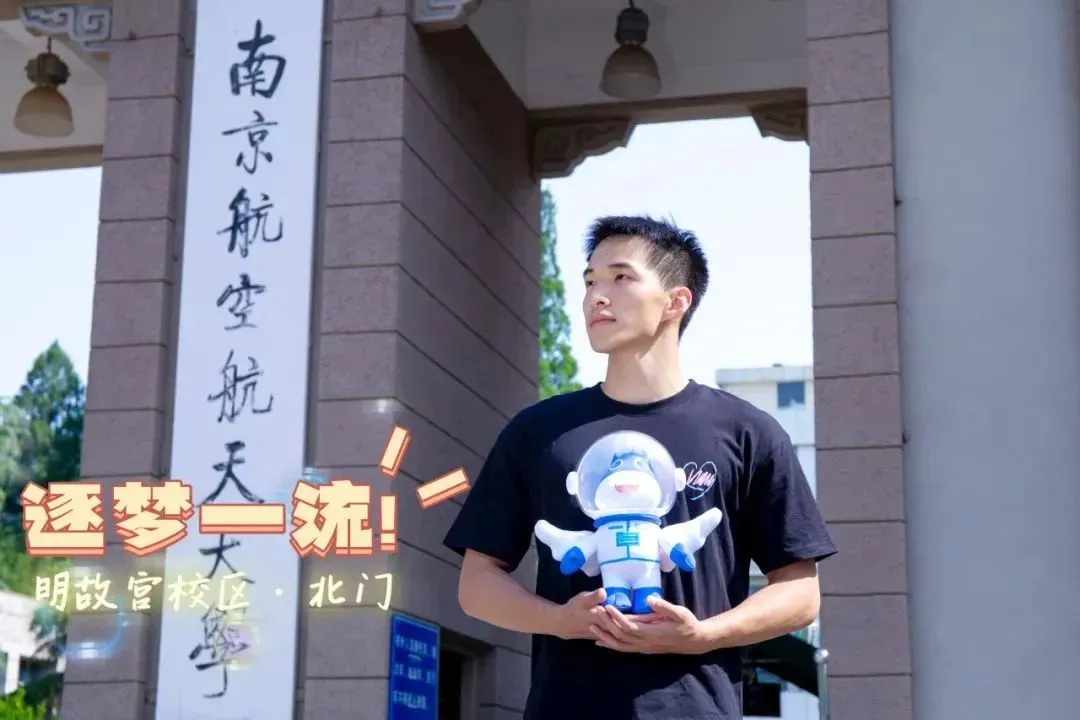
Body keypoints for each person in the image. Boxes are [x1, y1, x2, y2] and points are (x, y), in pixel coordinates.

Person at [443, 215, 837, 719]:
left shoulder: (747, 432)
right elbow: (477, 584)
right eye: (589, 281)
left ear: (676, 301)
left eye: (620, 278)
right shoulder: (538, 431)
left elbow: (800, 592)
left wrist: (702, 635)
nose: (595, 297)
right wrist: (562, 620)